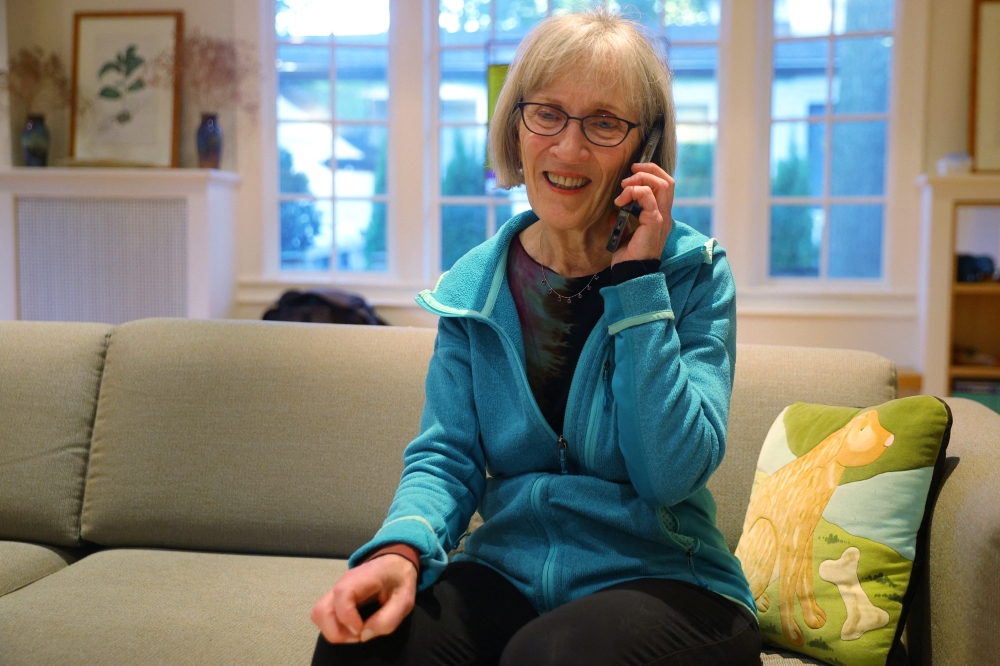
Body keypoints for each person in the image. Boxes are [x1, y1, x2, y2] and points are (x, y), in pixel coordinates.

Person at [311, 8, 761, 665]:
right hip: (509, 576)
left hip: (671, 582)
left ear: (643, 149)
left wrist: (638, 280)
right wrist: (400, 550)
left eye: (604, 123)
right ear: (515, 127)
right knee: (361, 643)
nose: (569, 149)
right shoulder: (476, 288)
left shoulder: (693, 274)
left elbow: (669, 476)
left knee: (551, 657)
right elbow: (446, 456)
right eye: (547, 113)